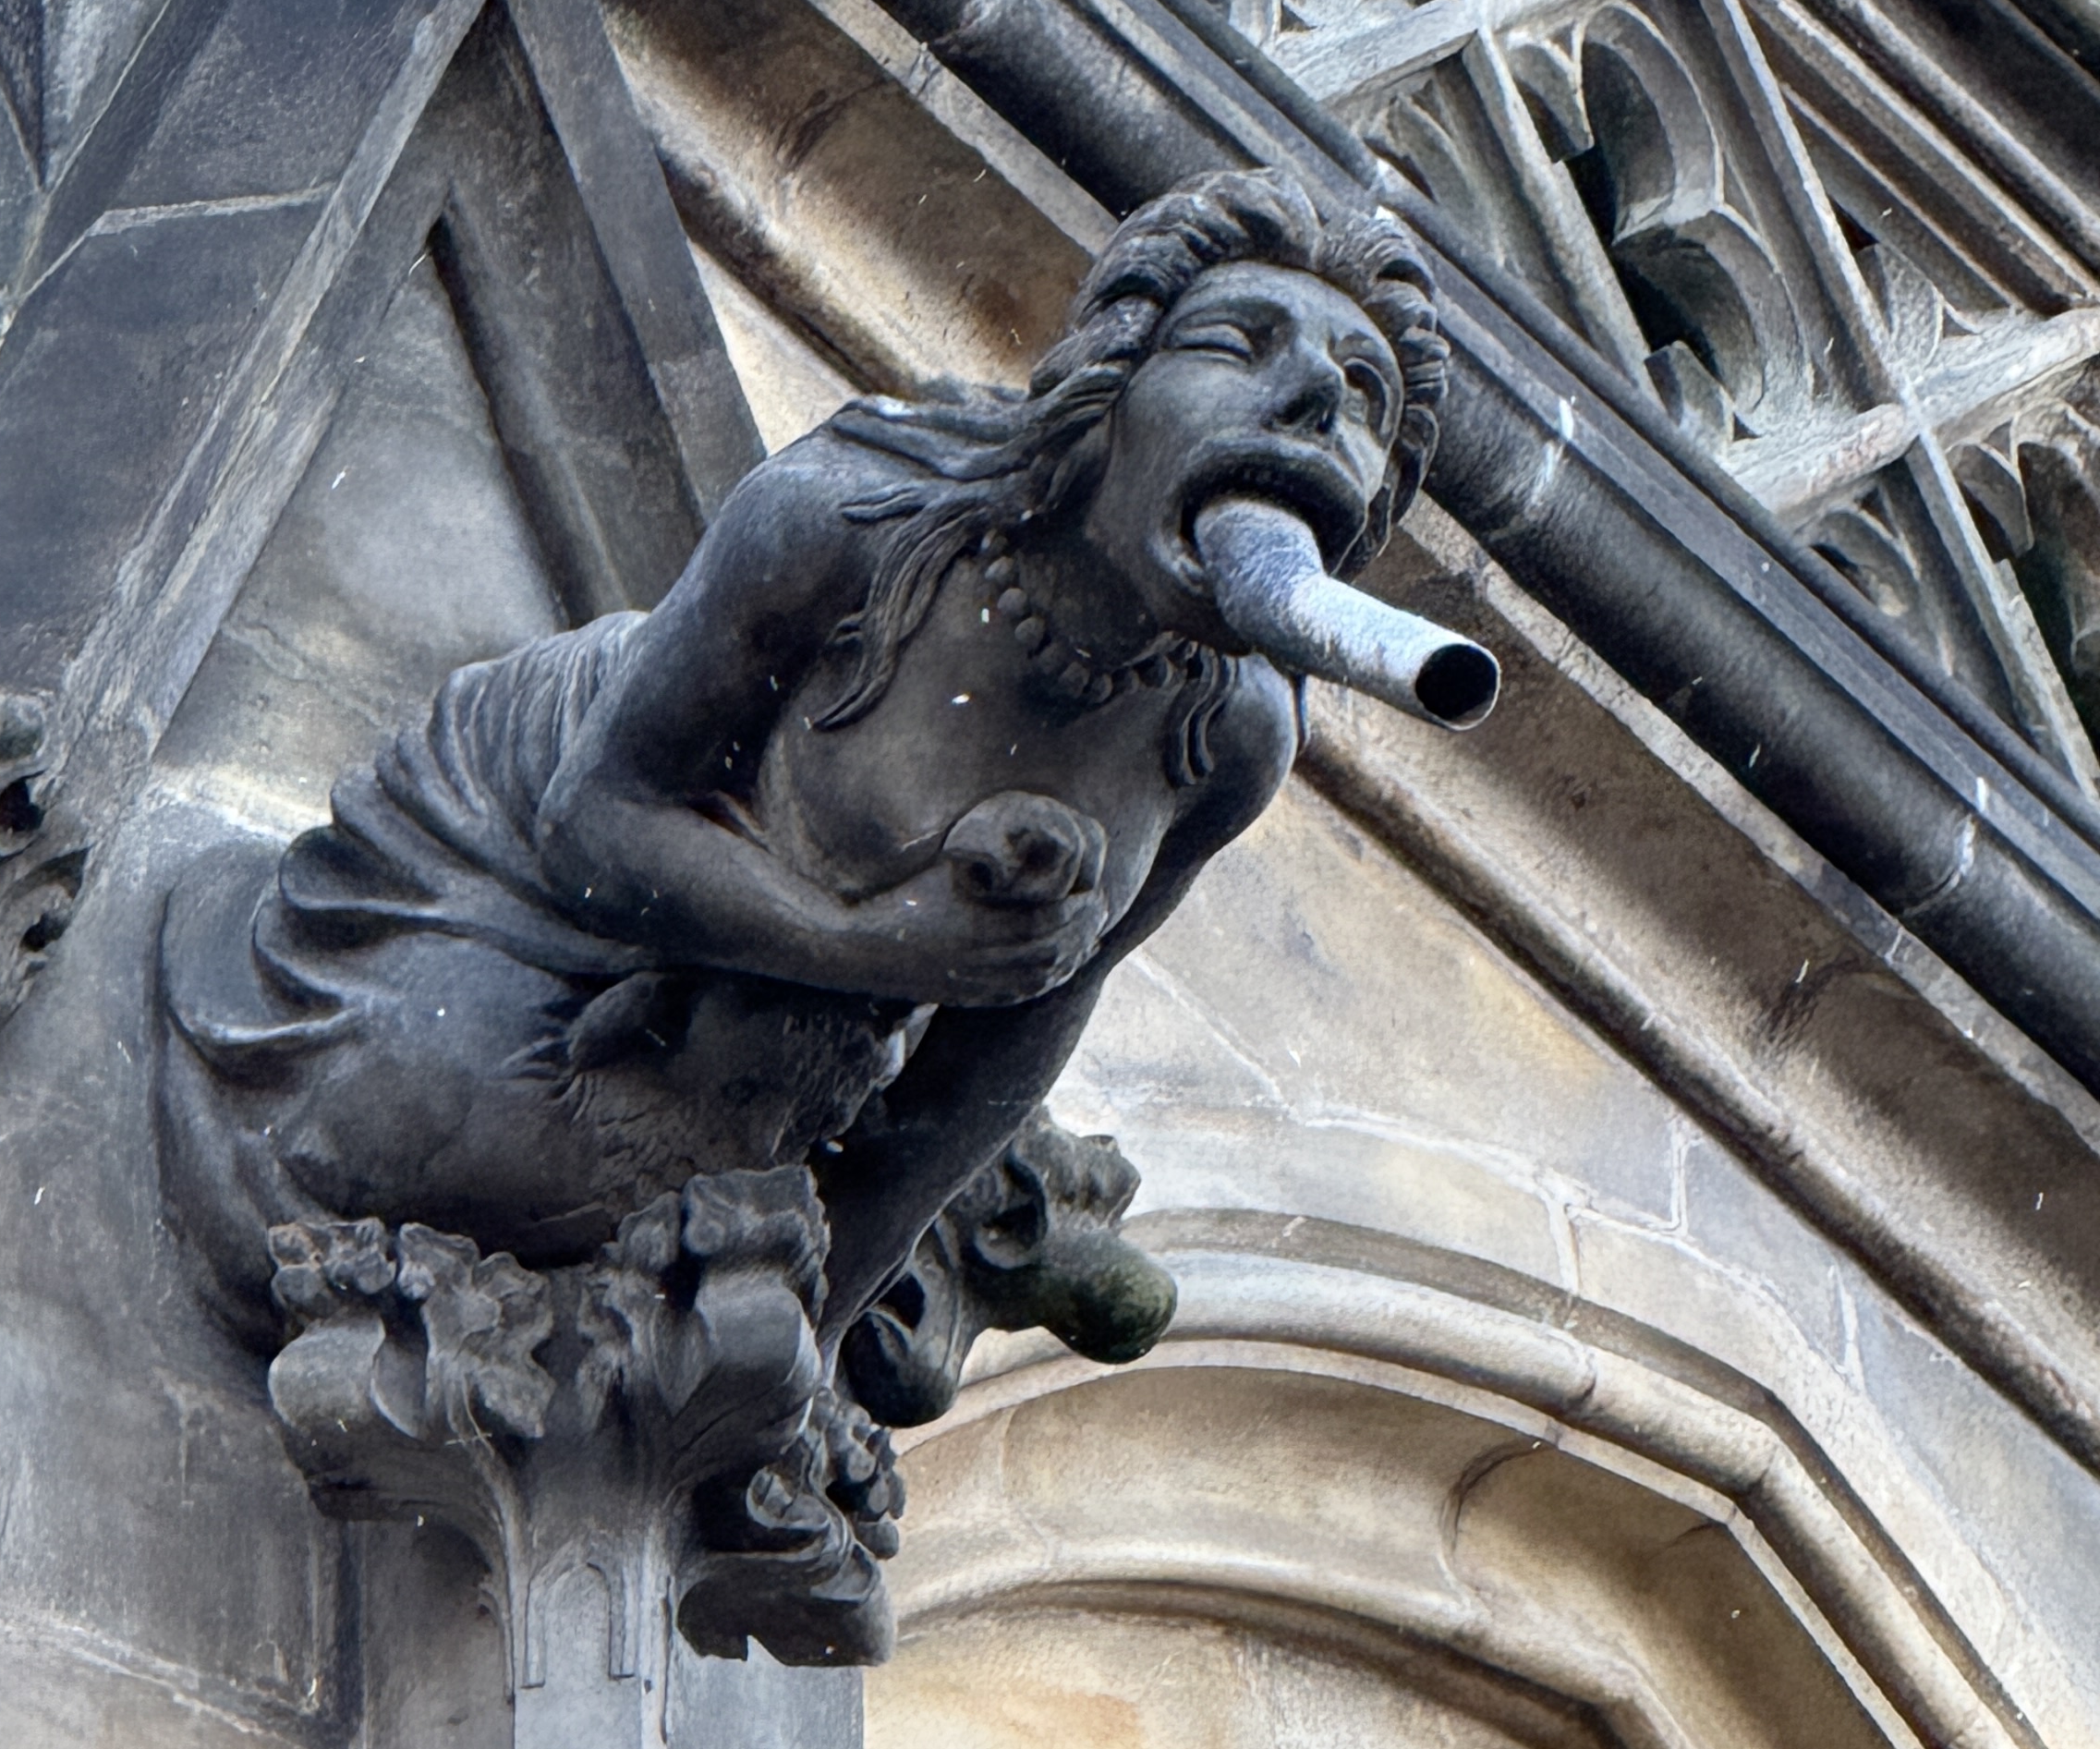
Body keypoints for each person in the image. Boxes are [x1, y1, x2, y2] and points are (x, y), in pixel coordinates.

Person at [159, 163, 1445, 1359]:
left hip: (781, 1021)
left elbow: (1007, 1049)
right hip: (512, 868)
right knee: (411, 1147)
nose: (1321, 404)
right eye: (1238, 345)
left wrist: (818, 1338)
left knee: (725, 1303)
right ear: (1110, 393)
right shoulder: (847, 519)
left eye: (1367, 401)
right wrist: (877, 948)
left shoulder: (1228, 735)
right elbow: (596, 823)